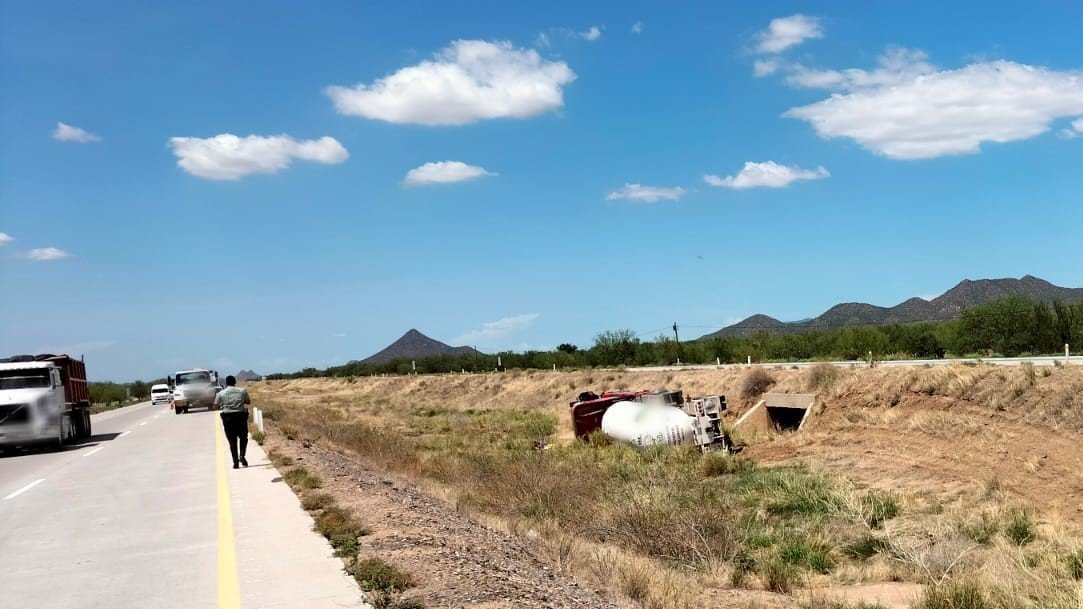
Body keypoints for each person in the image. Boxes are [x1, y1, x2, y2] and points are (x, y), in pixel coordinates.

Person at [214, 375, 251, 469]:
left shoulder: (221, 393)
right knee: (243, 437)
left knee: (232, 441)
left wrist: (223, 405)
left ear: (226, 383)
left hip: (228, 418)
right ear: (235, 382)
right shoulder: (242, 391)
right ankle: (242, 456)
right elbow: (248, 401)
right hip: (240, 417)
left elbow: (215, 406)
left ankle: (235, 462)